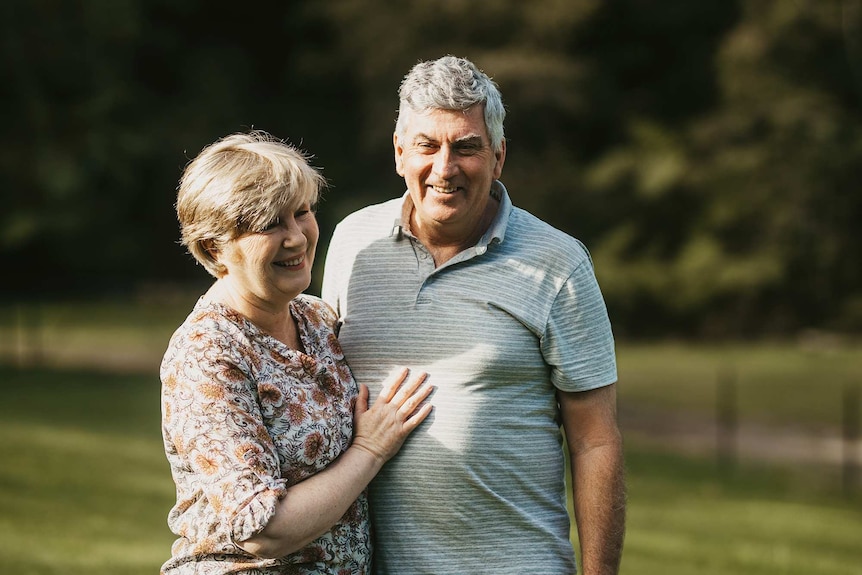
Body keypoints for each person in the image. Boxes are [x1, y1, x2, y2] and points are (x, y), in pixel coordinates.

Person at [321, 55, 625, 574]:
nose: (445, 168)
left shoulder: (560, 263)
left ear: (498, 156)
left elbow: (595, 441)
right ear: (399, 152)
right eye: (427, 146)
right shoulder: (354, 242)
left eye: (466, 147)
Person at [159, 130, 434, 575]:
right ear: (215, 248)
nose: (298, 238)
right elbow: (262, 530)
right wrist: (369, 449)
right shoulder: (207, 354)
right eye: (270, 223)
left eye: (302, 213)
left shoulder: (316, 319)